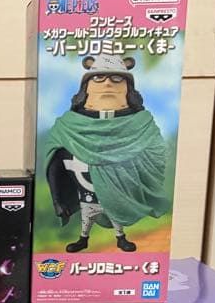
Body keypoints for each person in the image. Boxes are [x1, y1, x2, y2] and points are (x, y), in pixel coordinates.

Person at [43, 54, 169, 253]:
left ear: (128, 90)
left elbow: (157, 157)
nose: (108, 83)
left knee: (115, 214)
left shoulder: (143, 125)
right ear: (86, 89)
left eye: (117, 78)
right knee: (87, 218)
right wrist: (58, 200)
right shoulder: (66, 127)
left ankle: (120, 238)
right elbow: (55, 164)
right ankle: (83, 239)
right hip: (86, 194)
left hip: (120, 195)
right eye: (98, 78)